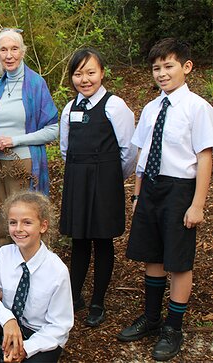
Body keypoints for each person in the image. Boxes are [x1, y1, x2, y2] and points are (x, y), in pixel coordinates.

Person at [116, 38, 213, 361]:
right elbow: (142, 152)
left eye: (168, 66)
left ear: (186, 67)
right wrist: (137, 193)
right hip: (151, 189)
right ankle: (152, 317)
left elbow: (204, 156)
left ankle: (173, 327)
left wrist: (198, 203)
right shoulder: (151, 107)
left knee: (178, 260)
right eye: (156, 68)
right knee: (152, 255)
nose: (161, 73)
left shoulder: (198, 108)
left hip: (180, 189)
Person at [59, 48, 137, 327]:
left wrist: (112, 176)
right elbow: (65, 149)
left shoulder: (115, 106)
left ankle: (98, 301)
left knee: (102, 241)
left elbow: (128, 151)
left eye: (90, 72)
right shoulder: (70, 109)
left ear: (102, 73)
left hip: (105, 179)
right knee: (79, 240)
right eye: (78, 74)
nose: (84, 79)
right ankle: (74, 297)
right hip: (78, 179)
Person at [0, 191, 73, 363]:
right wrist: (7, 319)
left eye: (27, 222)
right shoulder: (4, 255)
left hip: (38, 335)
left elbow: (59, 326)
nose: (19, 229)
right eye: (13, 223)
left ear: (43, 226)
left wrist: (26, 349)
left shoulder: (57, 271)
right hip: (9, 326)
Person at [0, 28, 58, 246]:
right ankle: (6, 273)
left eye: (14, 49)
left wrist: (15, 140)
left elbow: (53, 129)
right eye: (3, 50)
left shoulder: (35, 84)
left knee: (24, 222)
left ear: (22, 52)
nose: (9, 55)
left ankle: (30, 271)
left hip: (24, 165)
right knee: (3, 223)